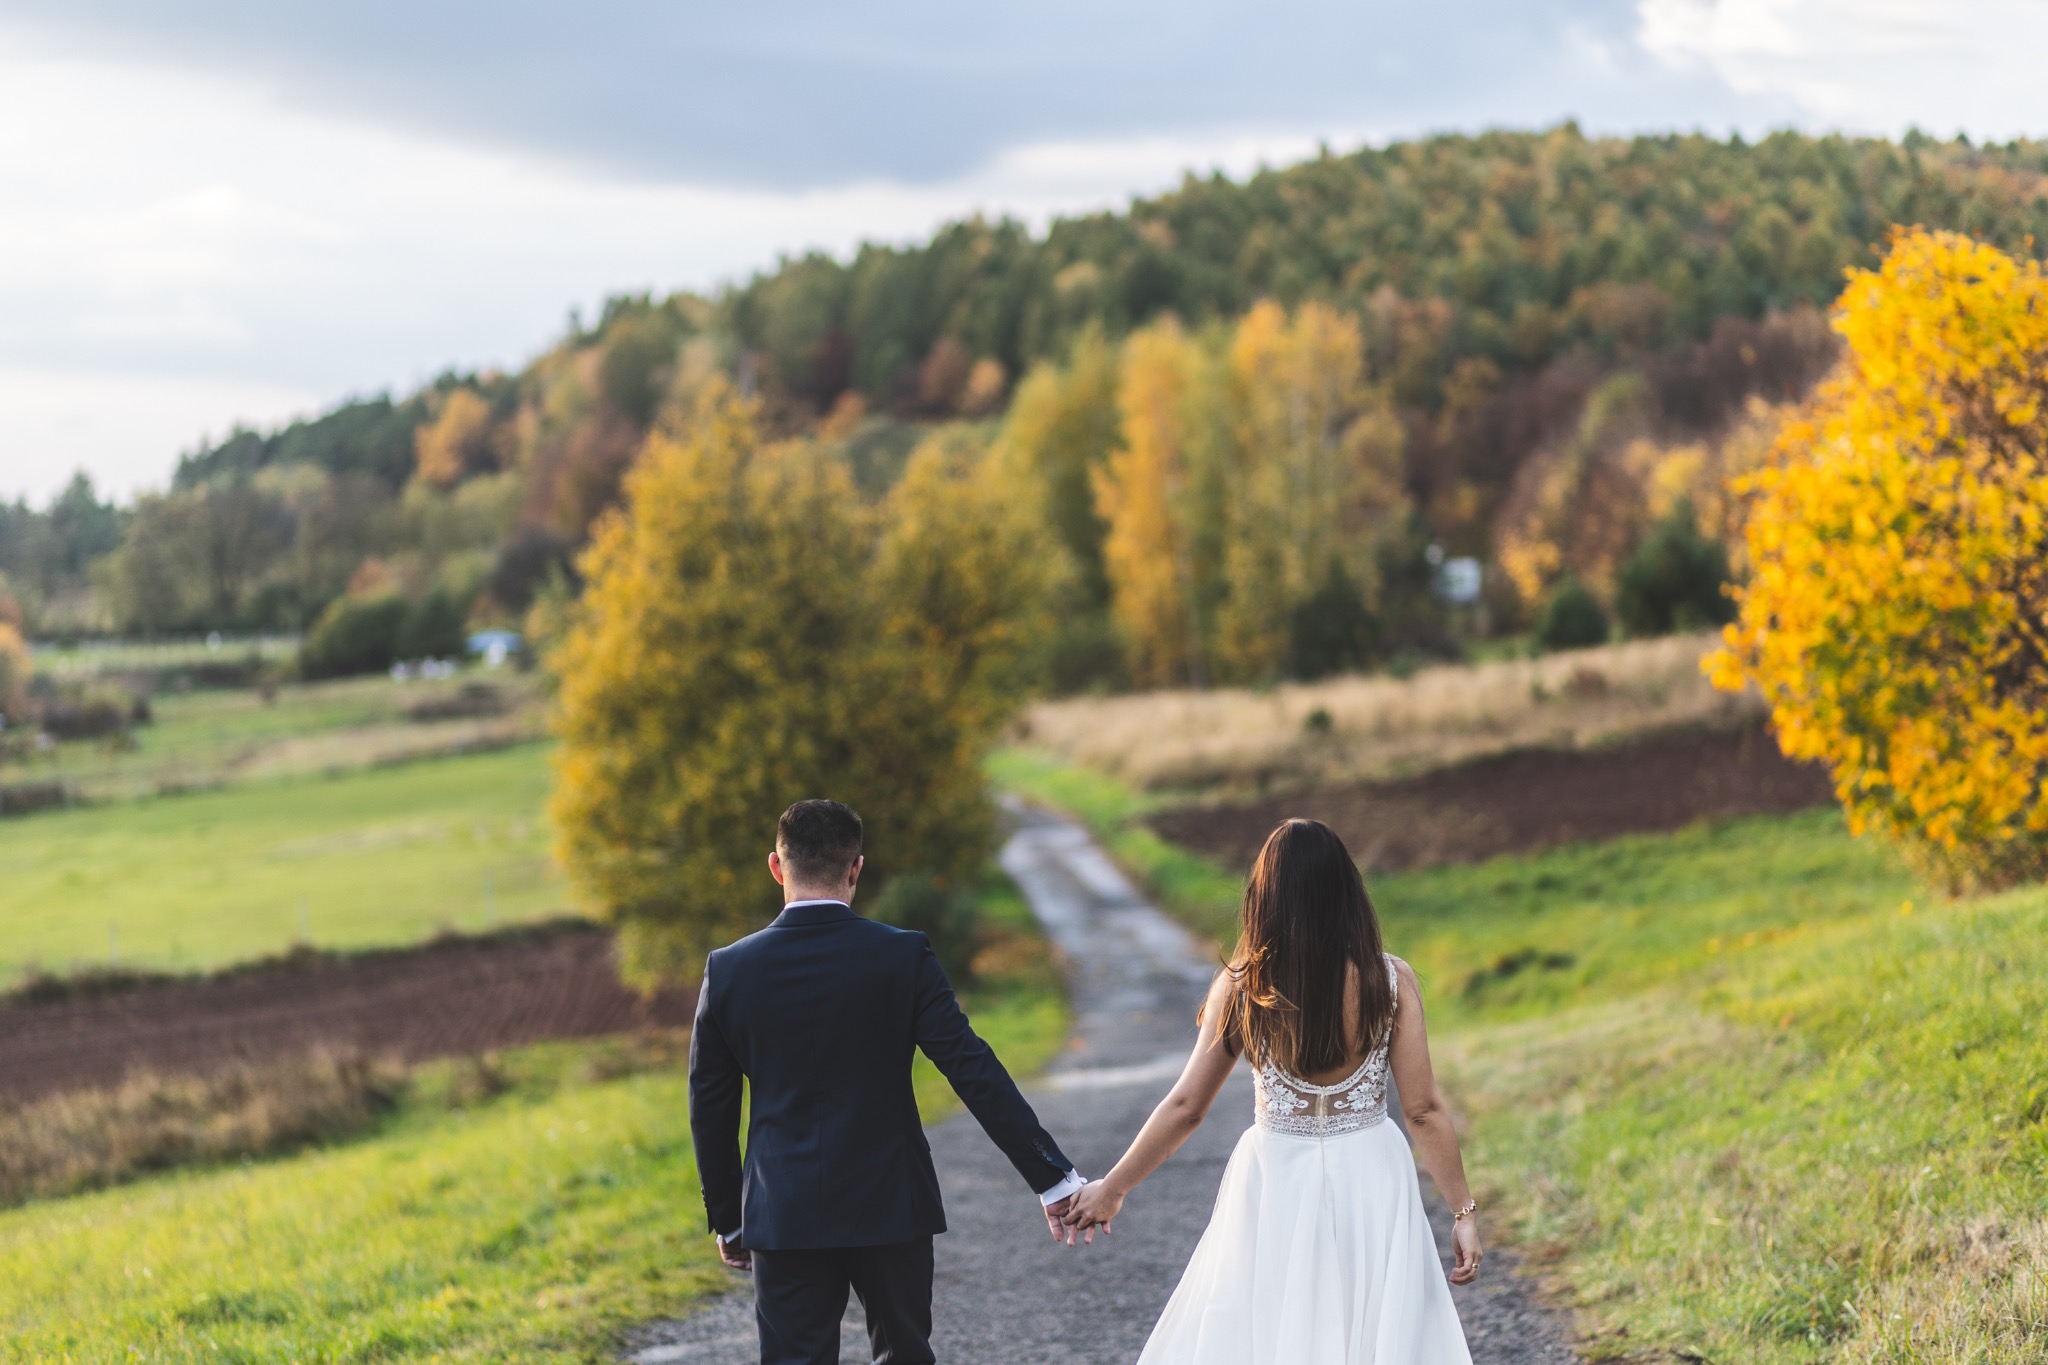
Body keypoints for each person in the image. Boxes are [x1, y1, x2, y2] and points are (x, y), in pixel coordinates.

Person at [1062, 817, 1481, 1363]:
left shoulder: (1242, 985)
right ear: (1346, 890)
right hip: (1373, 1178)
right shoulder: (1390, 980)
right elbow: (1422, 1110)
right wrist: (1462, 1213)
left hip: (1273, 1179)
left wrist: (1114, 1187)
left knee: (1272, 1333)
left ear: (1265, 896)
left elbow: (1187, 1107)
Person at [689, 798, 1088, 1365]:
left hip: (783, 1213)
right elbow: (971, 1068)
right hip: (891, 1205)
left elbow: (710, 1105)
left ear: (776, 867)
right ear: (856, 868)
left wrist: (730, 1216)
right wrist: (1051, 1177)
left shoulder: (728, 970)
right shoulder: (902, 955)